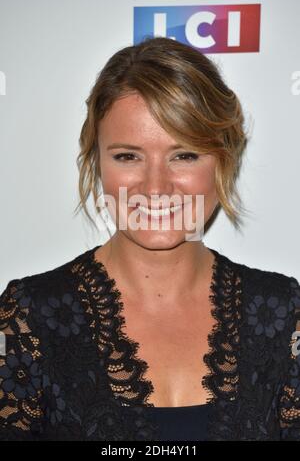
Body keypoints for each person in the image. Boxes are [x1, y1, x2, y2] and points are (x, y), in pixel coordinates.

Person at [0, 36, 300, 441]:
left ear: (223, 161)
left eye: (185, 155)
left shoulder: (284, 313)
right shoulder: (29, 316)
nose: (156, 187)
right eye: (128, 156)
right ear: (97, 162)